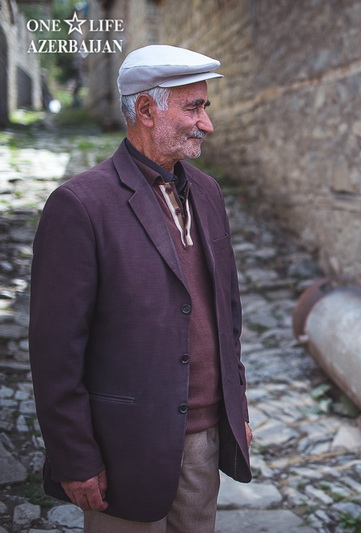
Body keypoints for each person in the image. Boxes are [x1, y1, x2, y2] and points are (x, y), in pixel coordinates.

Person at [28, 44, 252, 532]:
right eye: (193, 108)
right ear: (147, 110)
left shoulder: (208, 192)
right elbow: (55, 351)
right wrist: (75, 457)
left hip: (203, 442)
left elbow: (227, 313)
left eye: (205, 107)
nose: (207, 123)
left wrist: (236, 409)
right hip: (123, 450)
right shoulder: (80, 205)